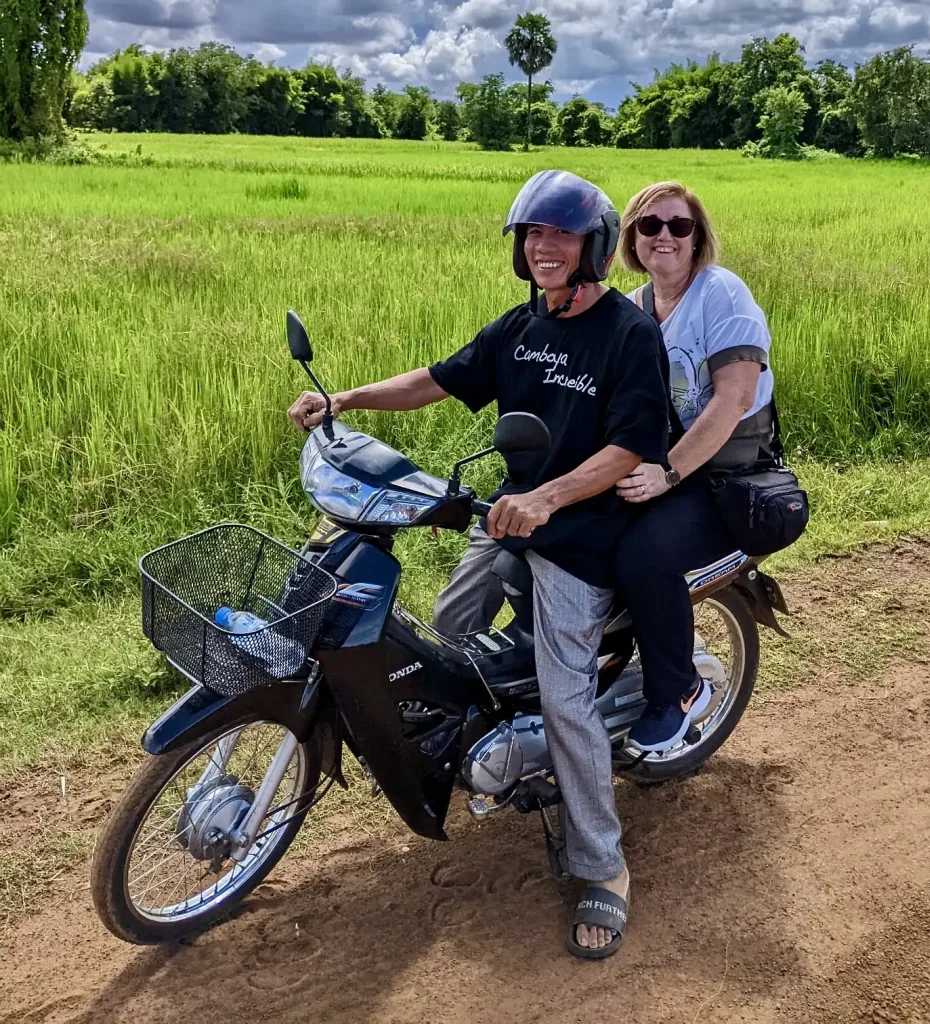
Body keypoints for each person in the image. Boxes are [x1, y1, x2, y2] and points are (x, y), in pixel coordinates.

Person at [288, 170, 674, 960]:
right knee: (447, 633)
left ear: (593, 245)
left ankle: (602, 865)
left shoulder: (629, 335)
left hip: (580, 535)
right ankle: (475, 745)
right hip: (508, 521)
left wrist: (549, 499)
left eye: (560, 235)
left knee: (568, 697)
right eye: (531, 235)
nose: (542, 248)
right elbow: (437, 380)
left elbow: (630, 446)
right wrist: (345, 402)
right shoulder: (522, 327)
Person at [613, 180, 776, 753]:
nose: (664, 236)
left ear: (697, 237)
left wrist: (666, 475)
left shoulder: (720, 294)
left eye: (679, 226)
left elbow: (731, 399)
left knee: (644, 556)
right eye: (650, 225)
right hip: (673, 465)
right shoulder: (633, 308)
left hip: (726, 472)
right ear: (632, 236)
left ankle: (679, 693)